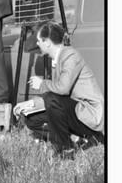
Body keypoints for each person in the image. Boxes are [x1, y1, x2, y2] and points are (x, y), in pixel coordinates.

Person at [14, 22, 104, 159]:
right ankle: (75, 139)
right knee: (32, 120)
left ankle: (65, 150)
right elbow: (56, 94)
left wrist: (42, 84)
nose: (37, 44)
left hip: (88, 116)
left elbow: (62, 89)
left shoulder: (70, 56)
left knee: (52, 100)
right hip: (74, 111)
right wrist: (29, 105)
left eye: (39, 41)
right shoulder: (58, 59)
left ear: (48, 42)